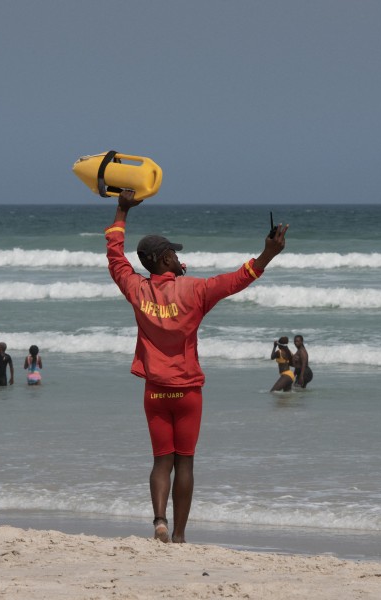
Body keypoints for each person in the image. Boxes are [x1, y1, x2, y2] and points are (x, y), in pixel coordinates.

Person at [106, 189, 287, 544]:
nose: (178, 258)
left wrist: (121, 211)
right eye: (173, 253)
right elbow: (238, 279)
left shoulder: (136, 289)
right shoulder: (195, 291)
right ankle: (179, 535)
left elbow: (115, 256)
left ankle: (159, 521)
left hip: (155, 391)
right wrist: (268, 253)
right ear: (163, 258)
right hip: (187, 391)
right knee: (184, 463)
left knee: (162, 461)